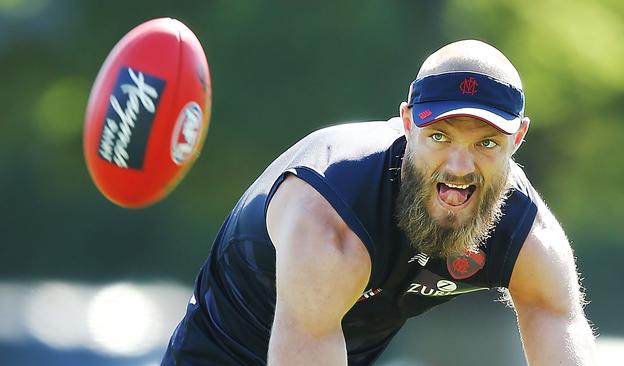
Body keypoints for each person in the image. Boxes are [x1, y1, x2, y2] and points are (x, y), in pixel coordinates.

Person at [162, 40, 598, 365]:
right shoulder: (331, 222)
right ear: (407, 123)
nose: (460, 166)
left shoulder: (528, 235)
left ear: (517, 138)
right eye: (440, 137)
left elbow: (558, 323)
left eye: (486, 142)